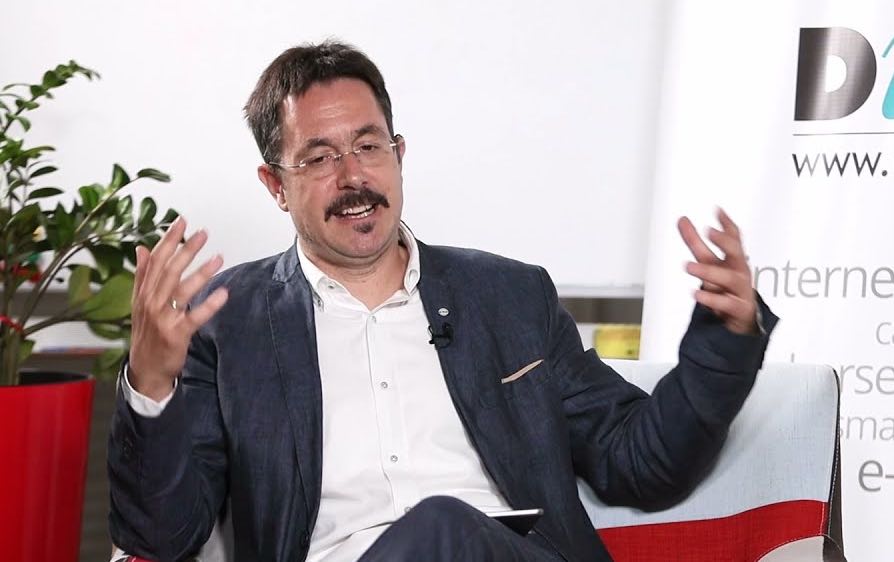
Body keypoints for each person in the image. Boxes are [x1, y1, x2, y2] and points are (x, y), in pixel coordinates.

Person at [108, 41, 776, 562]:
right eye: (319, 158)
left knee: (443, 528)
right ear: (275, 185)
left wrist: (726, 333)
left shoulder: (508, 298)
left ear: (398, 154)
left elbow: (641, 462)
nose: (353, 176)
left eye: (369, 146)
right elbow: (164, 538)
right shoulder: (228, 324)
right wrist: (151, 385)